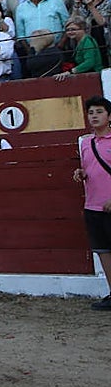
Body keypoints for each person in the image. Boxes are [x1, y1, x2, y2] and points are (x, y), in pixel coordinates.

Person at [72, 96, 111, 311]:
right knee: (104, 252)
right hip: (93, 206)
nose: (94, 116)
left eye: (99, 112)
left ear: (109, 116)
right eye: (91, 113)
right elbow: (90, 168)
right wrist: (81, 173)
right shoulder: (86, 143)